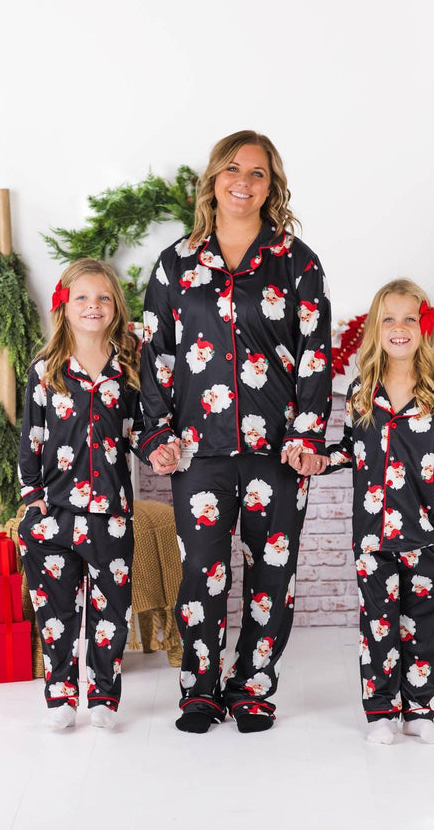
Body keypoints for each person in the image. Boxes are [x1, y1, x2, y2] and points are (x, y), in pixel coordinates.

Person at [139, 130, 332, 733]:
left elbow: (315, 356)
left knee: (273, 576)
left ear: (271, 186)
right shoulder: (175, 264)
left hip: (278, 453)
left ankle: (252, 687)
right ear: (214, 180)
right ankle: (200, 688)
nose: (243, 182)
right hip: (199, 452)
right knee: (202, 572)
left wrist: (307, 435)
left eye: (257, 173)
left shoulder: (296, 261)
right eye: (232, 169)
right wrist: (157, 434)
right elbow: (156, 356)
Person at [309, 279, 434, 745]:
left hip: (429, 535)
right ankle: (381, 712)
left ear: (423, 327)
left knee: (426, 627)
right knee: (377, 626)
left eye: (409, 319)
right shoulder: (362, 390)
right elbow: (350, 450)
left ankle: (419, 710)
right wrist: (318, 461)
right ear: (376, 328)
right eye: (388, 319)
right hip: (372, 537)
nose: (399, 328)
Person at [17, 258, 143, 730]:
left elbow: (138, 433)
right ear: (65, 308)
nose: (93, 306)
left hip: (111, 513)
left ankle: (104, 699)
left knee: (111, 611)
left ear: (115, 307)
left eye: (103, 298)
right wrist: (33, 500)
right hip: (54, 511)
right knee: (56, 612)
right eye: (83, 298)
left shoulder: (128, 372)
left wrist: (166, 451)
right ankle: (60, 698)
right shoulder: (46, 370)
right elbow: (30, 439)